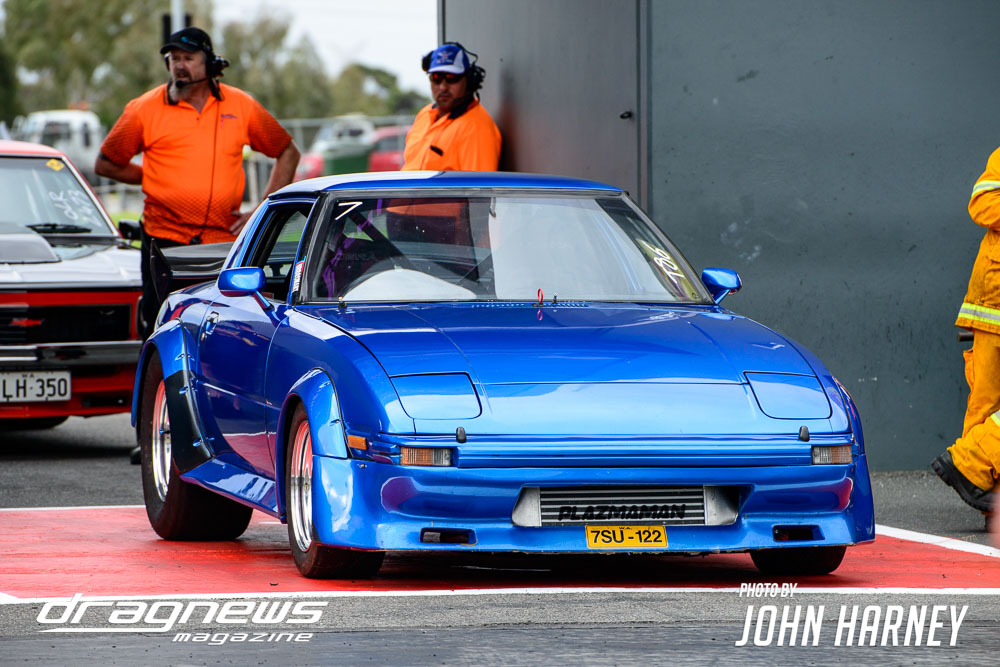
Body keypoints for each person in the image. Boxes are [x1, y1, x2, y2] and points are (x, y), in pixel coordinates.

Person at [95, 26, 300, 337]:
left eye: (187, 58)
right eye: (173, 58)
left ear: (210, 63)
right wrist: (152, 178)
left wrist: (261, 210)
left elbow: (287, 151)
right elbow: (106, 163)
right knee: (162, 327)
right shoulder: (143, 109)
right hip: (165, 240)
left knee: (222, 329)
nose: (179, 65)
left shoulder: (240, 105)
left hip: (223, 243)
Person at [931, 149, 1000, 515]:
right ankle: (976, 478)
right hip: (994, 306)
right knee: (985, 405)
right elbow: (983, 205)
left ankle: (973, 470)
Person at [402, 42, 501, 171]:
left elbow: (478, 184)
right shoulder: (424, 114)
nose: (443, 87)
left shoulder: (476, 129)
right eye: (436, 77)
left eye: (451, 78)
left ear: (469, 81)